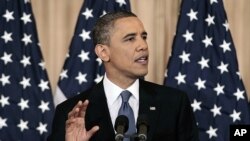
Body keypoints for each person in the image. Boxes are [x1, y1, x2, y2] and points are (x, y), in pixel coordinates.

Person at [47, 11, 199, 141]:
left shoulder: (174, 103)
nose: (143, 46)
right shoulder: (70, 113)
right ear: (103, 52)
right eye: (130, 39)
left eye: (144, 37)